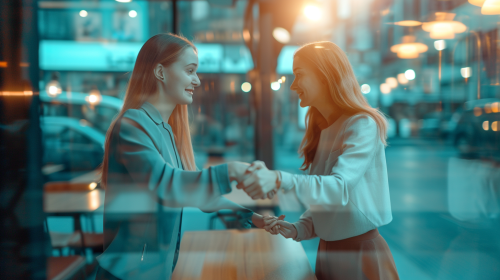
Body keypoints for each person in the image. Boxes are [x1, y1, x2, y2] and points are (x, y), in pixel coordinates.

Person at [95, 33, 278, 280]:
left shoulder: (166, 130)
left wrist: (254, 218)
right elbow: (167, 185)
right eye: (190, 71)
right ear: (160, 72)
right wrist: (232, 170)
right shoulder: (132, 125)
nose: (198, 81)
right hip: (127, 274)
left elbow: (194, 192)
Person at [239, 41, 400, 280]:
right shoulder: (322, 130)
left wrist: (278, 179)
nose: (293, 85)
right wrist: (297, 229)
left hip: (359, 254)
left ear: (325, 76)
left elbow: (339, 188)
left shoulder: (362, 124)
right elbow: (326, 204)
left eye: (299, 75)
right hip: (328, 252)